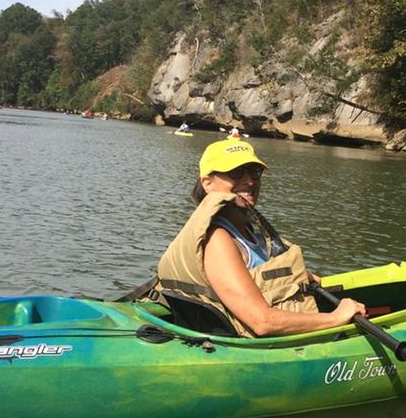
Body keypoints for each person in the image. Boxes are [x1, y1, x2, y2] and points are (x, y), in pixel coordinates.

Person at [154, 138, 366, 336]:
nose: (250, 181)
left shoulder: (246, 229)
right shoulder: (217, 239)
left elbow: (258, 277)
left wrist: (294, 278)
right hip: (250, 345)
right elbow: (262, 322)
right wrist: (336, 317)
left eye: (254, 172)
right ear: (207, 183)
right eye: (236, 172)